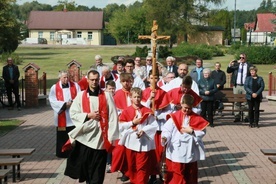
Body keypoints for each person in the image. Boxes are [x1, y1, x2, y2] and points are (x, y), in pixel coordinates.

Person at [64, 69, 119, 184]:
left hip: (101, 139)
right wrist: (89, 115)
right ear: (87, 80)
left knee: (98, 174)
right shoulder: (81, 96)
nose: (94, 82)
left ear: (99, 80)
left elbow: (113, 116)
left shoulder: (107, 96)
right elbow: (73, 113)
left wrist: (111, 137)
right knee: (87, 171)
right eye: (92, 80)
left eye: (96, 80)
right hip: (86, 139)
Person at [161, 94, 209, 184]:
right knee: (177, 174)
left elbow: (203, 132)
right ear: (181, 104)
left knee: (190, 174)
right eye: (185, 108)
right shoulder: (174, 117)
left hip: (190, 150)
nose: (187, 110)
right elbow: (167, 130)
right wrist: (164, 138)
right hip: (177, 150)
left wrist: (192, 132)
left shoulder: (196, 117)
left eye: (189, 108)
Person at [119, 87, 158, 184]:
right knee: (132, 167)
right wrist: (132, 122)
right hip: (131, 143)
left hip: (144, 144)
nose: (137, 99)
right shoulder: (126, 111)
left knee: (142, 168)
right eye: (134, 97)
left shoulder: (147, 110)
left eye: (139, 97)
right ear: (131, 97)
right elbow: (120, 127)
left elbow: (154, 125)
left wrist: (144, 130)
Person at [141, 69, 172, 183]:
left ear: (158, 79)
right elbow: (143, 108)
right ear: (148, 79)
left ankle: (160, 174)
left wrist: (159, 115)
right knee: (150, 153)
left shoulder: (164, 93)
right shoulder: (144, 92)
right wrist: (150, 98)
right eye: (151, 77)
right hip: (149, 127)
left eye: (156, 77)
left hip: (159, 127)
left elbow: (169, 111)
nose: (153, 80)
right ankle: (151, 175)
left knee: (159, 152)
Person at [49, 71, 81, 158]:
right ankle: (62, 153)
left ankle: (74, 152)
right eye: (64, 78)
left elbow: (80, 97)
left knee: (73, 135)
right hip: (61, 116)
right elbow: (52, 100)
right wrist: (64, 105)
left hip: (73, 116)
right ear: (59, 78)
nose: (66, 79)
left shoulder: (75, 85)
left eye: (67, 77)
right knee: (62, 136)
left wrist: (72, 103)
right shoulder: (54, 88)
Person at [227, 53, 252, 122]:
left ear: (246, 58)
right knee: (236, 101)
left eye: (243, 58)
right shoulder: (236, 64)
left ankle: (246, 116)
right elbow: (228, 71)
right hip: (237, 85)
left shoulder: (249, 65)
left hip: (245, 86)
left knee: (246, 101)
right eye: (240, 57)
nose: (241, 59)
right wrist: (230, 64)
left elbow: (252, 74)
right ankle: (237, 116)